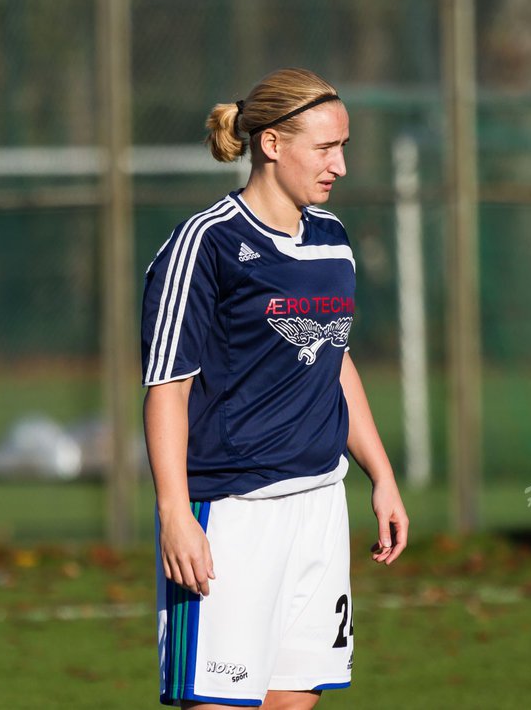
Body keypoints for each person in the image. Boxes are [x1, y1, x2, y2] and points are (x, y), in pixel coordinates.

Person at [141, 67, 409, 707]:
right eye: (326, 148)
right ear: (271, 145)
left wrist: (381, 473)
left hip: (319, 507)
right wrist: (175, 514)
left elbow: (333, 361)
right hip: (232, 516)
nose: (340, 166)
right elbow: (166, 389)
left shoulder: (332, 240)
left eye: (343, 146)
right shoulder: (206, 244)